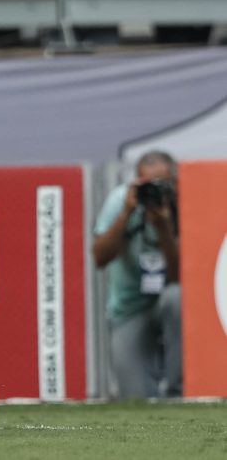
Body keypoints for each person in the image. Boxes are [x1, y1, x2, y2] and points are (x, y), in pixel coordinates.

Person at [93, 150, 181, 399]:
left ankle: (178, 392)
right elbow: (100, 257)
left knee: (177, 297)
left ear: (174, 183)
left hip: (169, 301)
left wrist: (163, 229)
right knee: (136, 399)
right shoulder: (121, 200)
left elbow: (179, 277)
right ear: (135, 182)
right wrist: (126, 214)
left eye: (162, 185)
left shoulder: (183, 204)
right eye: (147, 185)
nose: (154, 192)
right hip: (130, 308)